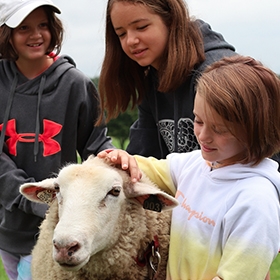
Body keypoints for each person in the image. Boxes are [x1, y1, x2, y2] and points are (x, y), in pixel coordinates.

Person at [98, 55, 280, 279]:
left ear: (256, 129)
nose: (203, 136)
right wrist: (122, 159)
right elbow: (142, 170)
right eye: (198, 120)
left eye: (219, 129)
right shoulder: (196, 164)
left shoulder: (256, 201)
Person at [0, 0, 113, 279]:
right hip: (8, 224)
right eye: (23, 27)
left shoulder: (75, 84)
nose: (36, 34)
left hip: (58, 227)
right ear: (7, 34)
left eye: (43, 25)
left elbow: (96, 146)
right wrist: (30, 199)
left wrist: (119, 163)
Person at [98, 0, 237, 159]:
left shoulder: (217, 75)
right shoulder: (152, 78)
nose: (131, 41)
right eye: (121, 34)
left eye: (141, 27)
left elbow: (242, 160)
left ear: (171, 19)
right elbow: (144, 156)